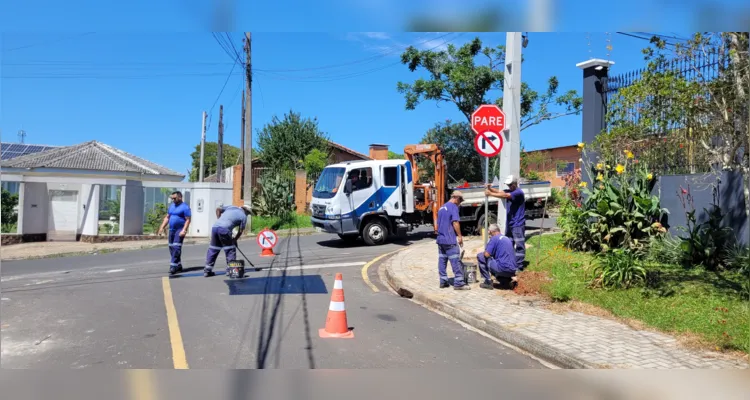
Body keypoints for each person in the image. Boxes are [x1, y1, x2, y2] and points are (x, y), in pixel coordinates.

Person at [485, 175, 527, 269]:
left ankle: (519, 265)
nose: (508, 186)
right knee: (509, 243)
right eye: (507, 185)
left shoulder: (518, 192)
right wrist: (490, 188)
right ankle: (510, 262)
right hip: (510, 223)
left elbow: (504, 195)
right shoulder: (511, 190)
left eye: (510, 185)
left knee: (519, 244)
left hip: (518, 223)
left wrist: (490, 194)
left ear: (515, 184)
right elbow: (500, 192)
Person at [203, 204, 252, 277]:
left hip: (215, 228)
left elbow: (218, 209)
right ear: (245, 210)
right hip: (224, 230)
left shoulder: (231, 207)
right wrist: (235, 240)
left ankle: (207, 270)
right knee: (230, 249)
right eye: (248, 213)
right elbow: (240, 231)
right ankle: (230, 270)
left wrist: (219, 220)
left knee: (213, 249)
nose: (247, 215)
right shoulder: (243, 216)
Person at [436, 191, 470, 290]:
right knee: (455, 260)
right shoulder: (453, 207)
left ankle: (443, 281)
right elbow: (455, 222)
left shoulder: (442, 208)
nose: (460, 203)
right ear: (456, 198)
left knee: (442, 260)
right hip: (449, 239)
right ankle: (459, 283)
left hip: (440, 239)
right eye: (460, 201)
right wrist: (459, 236)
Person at [157, 191, 192, 275]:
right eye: (172, 198)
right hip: (171, 230)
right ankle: (178, 265)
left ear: (180, 197)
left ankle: (173, 266)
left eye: (174, 198)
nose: (173, 200)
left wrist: (184, 230)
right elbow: (167, 217)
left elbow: (188, 220)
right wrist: (162, 227)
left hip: (179, 230)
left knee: (176, 247)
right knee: (171, 247)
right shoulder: (172, 206)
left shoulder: (185, 207)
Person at [477, 224, 518, 290]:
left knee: (480, 256)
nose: (489, 234)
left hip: (502, 268)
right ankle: (506, 282)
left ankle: (488, 281)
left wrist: (486, 251)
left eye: (489, 232)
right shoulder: (506, 238)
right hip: (512, 270)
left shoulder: (494, 238)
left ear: (491, 231)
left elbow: (486, 254)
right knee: (498, 261)